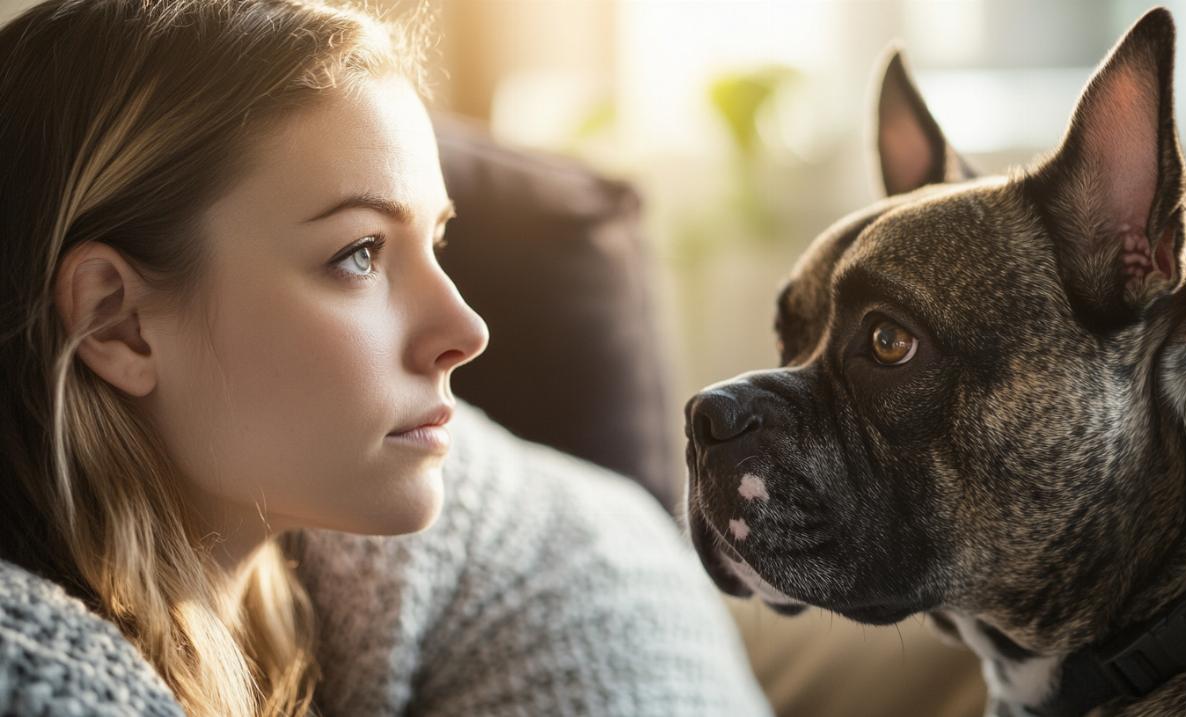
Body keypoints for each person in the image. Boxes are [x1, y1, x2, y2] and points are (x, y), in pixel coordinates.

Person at [0, 0, 769, 715]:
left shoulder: (549, 570)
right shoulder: (37, 664)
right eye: (359, 253)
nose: (467, 330)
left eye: (436, 241)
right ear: (117, 321)